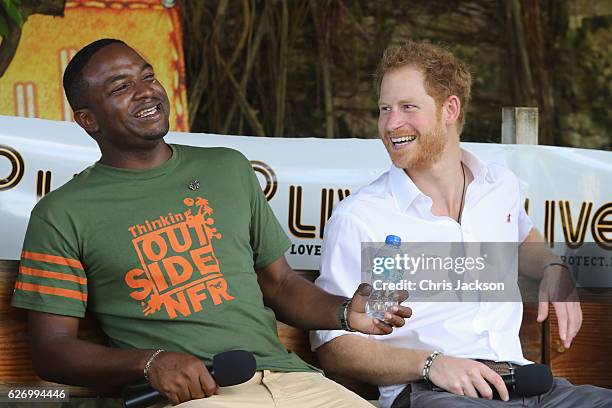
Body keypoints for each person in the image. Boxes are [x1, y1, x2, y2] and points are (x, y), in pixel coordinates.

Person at [10, 38, 411, 408]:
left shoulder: (227, 168)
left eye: (148, 76)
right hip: (199, 396)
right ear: (88, 120)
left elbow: (280, 284)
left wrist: (346, 313)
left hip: (295, 382)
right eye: (120, 87)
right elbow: (52, 350)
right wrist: (150, 363)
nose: (145, 90)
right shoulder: (62, 214)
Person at [312, 40, 612, 408]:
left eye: (408, 107)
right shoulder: (360, 217)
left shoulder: (498, 186)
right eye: (384, 109)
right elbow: (334, 346)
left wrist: (552, 265)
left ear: (449, 109)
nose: (391, 124)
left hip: (529, 386)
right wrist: (430, 365)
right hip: (435, 394)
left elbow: (523, 238)